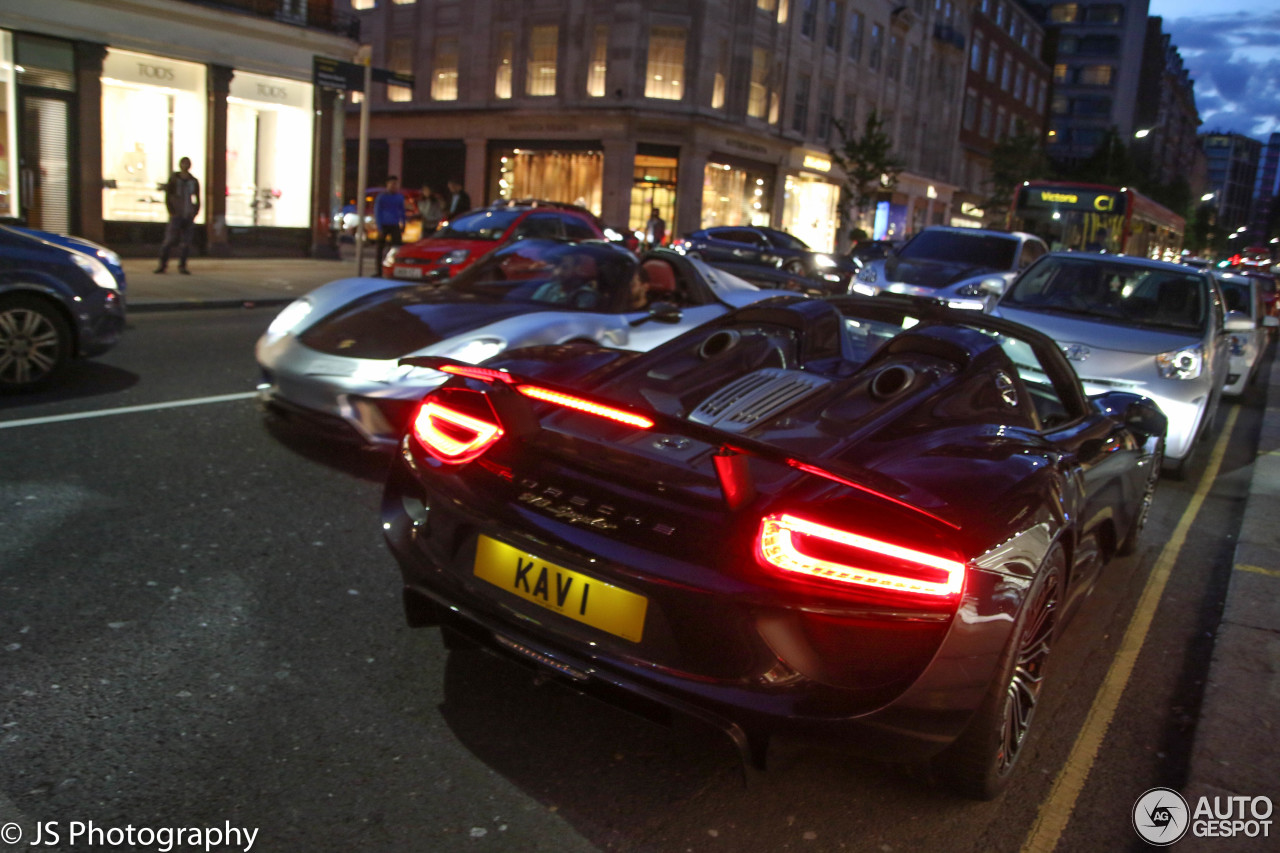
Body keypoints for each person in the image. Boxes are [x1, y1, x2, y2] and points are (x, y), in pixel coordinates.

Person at [155, 156, 200, 274]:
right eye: (183, 163)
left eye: (187, 164)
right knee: (169, 240)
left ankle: (182, 265)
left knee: (186, 242)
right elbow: (168, 195)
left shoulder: (193, 181)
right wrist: (171, 211)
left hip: (188, 213)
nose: (185, 166)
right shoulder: (174, 179)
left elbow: (197, 197)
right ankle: (163, 264)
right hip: (177, 213)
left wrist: (195, 211)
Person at [373, 175, 407, 275]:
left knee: (397, 248)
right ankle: (378, 271)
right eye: (392, 184)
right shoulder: (382, 197)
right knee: (380, 249)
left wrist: (403, 224)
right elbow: (377, 212)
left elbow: (402, 211)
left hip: (394, 224)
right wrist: (379, 227)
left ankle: (396, 270)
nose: (394, 186)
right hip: (383, 224)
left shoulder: (399, 197)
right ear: (387, 184)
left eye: (395, 184)